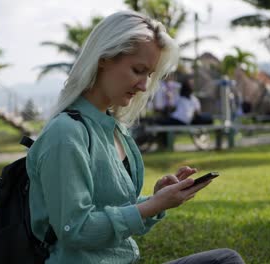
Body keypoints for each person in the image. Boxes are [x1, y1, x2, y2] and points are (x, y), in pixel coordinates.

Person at [26, 11, 244, 264]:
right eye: (138, 70)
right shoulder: (66, 133)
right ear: (104, 58)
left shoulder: (113, 128)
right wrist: (152, 206)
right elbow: (75, 229)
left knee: (226, 259)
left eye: (149, 75)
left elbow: (114, 213)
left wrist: (157, 200)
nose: (143, 85)